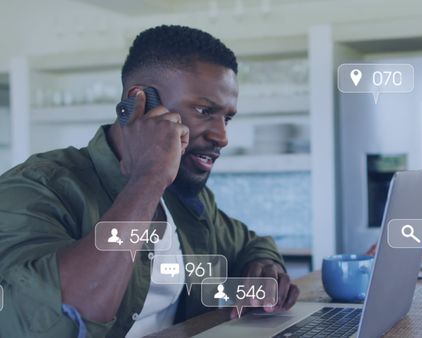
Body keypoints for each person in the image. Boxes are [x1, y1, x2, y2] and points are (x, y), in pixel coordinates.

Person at [0, 25, 298, 338]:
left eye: (227, 118)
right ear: (140, 102)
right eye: (204, 110)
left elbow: (250, 243)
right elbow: (58, 317)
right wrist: (148, 178)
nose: (222, 136)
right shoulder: (37, 189)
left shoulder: (183, 195)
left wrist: (264, 265)